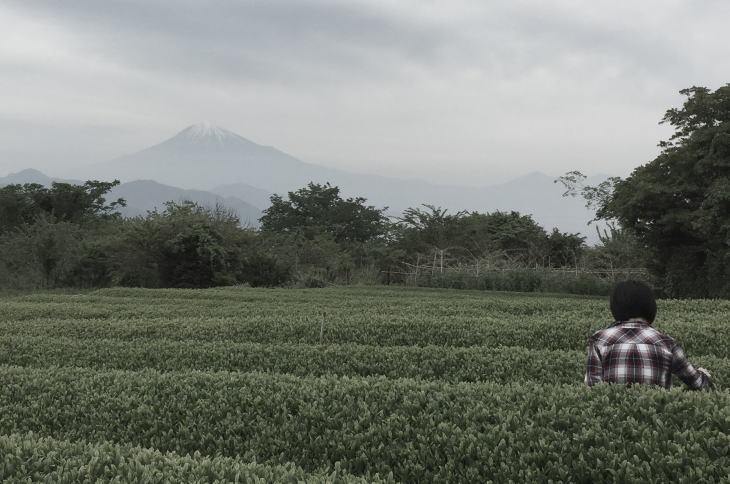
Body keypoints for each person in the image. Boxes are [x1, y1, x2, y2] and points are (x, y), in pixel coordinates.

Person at [585, 280, 711, 390]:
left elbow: (592, 387)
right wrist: (703, 374)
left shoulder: (599, 339)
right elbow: (697, 383)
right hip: (657, 416)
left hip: (612, 416)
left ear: (615, 308)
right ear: (650, 307)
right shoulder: (666, 342)